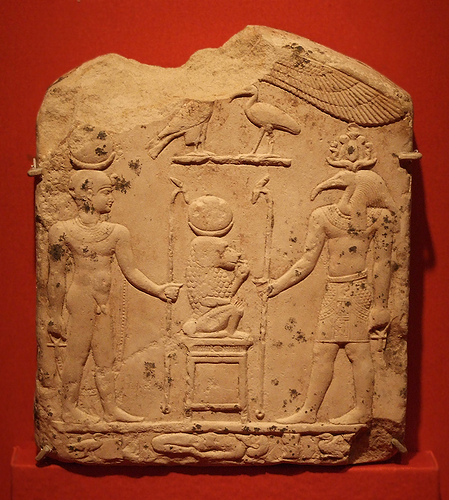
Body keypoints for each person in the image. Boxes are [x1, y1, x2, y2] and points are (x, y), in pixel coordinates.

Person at [47, 170, 182, 424]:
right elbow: (55, 276)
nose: (111, 198)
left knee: (105, 359)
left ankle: (109, 410)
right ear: (88, 194)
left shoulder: (117, 232)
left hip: (103, 304)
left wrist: (158, 290)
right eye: (106, 192)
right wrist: (54, 314)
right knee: (76, 355)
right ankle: (68, 409)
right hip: (80, 300)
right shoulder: (62, 230)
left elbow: (131, 271)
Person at [264, 169, 396, 425]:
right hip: (334, 290)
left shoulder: (380, 218)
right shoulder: (323, 216)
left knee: (358, 351)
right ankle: (310, 411)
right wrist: (277, 285)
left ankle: (363, 410)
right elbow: (307, 260)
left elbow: (383, 263)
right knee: (322, 351)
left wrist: (381, 305)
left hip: (358, 291)